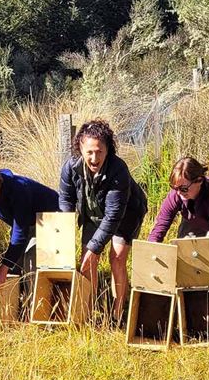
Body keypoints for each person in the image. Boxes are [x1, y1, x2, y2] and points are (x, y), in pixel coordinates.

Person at [59, 119, 148, 324]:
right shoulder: (71, 167)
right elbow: (65, 199)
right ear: (80, 148)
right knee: (87, 260)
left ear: (108, 149)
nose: (94, 157)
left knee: (116, 257)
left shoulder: (118, 170)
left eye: (99, 151)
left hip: (127, 213)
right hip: (92, 213)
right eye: (89, 151)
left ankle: (117, 313)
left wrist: (95, 247)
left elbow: (114, 215)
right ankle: (87, 310)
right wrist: (65, 227)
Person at [147, 157, 209, 323]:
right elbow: (161, 224)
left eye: (183, 188)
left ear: (199, 180)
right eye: (174, 187)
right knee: (184, 257)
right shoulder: (177, 194)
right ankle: (191, 307)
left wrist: (201, 251)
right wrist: (151, 249)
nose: (179, 192)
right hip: (194, 218)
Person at [0, 160, 60, 286]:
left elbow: (20, 233)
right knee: (13, 266)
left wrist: (3, 268)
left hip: (50, 220)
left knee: (31, 260)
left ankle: (33, 303)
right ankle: (14, 302)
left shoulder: (18, 190)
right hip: (26, 223)